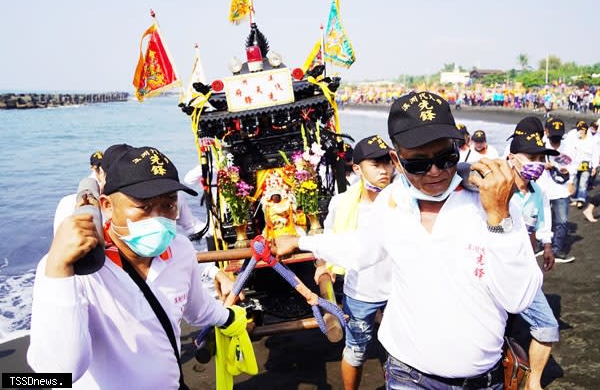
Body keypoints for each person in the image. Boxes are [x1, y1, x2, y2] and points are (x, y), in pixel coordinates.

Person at [275, 91, 542, 389]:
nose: (436, 172)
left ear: (457, 147)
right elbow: (361, 251)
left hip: (481, 378)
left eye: (446, 158)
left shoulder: (493, 202)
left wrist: (498, 217)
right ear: (397, 160)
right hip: (408, 374)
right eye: (418, 164)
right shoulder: (391, 200)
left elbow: (518, 298)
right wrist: (303, 242)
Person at [29, 146, 248, 389]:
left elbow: (197, 308)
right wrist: (58, 268)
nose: (158, 218)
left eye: (169, 205)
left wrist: (229, 318)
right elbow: (58, 372)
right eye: (144, 206)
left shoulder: (181, 250)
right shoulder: (75, 268)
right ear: (107, 206)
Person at [316, 135, 394, 390]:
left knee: (402, 349)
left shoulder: (403, 197)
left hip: (399, 290)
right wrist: (323, 265)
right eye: (376, 164)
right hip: (360, 292)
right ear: (357, 168)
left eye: (388, 162)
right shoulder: (342, 202)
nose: (384, 169)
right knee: (356, 351)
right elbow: (329, 239)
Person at [506, 117, 563, 390]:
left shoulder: (538, 191)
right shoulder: (496, 188)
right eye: (532, 156)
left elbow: (543, 220)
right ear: (511, 158)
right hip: (491, 273)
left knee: (547, 326)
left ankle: (534, 383)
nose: (538, 163)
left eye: (542, 158)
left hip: (524, 271)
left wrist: (547, 245)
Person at [538, 119, 576, 263]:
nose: (556, 140)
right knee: (542, 218)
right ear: (546, 131)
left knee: (562, 220)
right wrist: (543, 164)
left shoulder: (568, 146)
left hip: (561, 188)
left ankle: (557, 249)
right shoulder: (540, 144)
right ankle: (541, 243)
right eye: (553, 136)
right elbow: (530, 161)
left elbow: (574, 164)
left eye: (558, 136)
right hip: (543, 188)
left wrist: (571, 179)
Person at [568, 122, 599, 208]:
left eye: (581, 130)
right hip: (576, 165)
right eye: (578, 130)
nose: (579, 132)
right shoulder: (576, 140)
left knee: (583, 182)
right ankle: (574, 199)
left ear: (585, 130)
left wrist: (594, 167)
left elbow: (595, 154)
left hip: (587, 165)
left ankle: (580, 199)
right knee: (575, 181)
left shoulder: (592, 141)